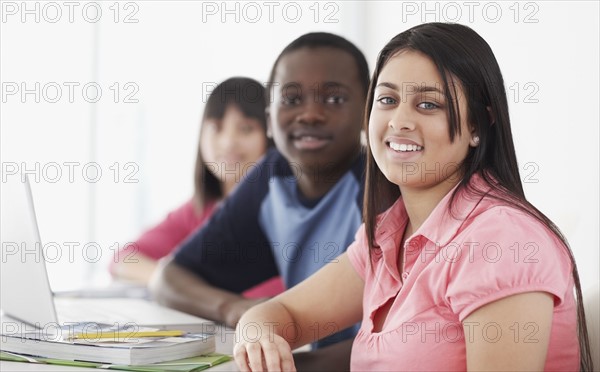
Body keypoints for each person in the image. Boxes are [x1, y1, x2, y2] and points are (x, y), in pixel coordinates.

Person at [233, 22, 593, 371]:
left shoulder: (499, 240)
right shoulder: (387, 235)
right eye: (387, 99)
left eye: (428, 105)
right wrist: (258, 337)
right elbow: (282, 316)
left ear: (477, 126)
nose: (399, 121)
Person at [150, 32, 370, 365]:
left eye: (334, 99)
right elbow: (169, 277)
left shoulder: (382, 183)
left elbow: (400, 339)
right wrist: (239, 310)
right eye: (292, 100)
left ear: (368, 112)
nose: (310, 114)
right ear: (269, 118)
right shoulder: (270, 177)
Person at [111, 77, 284, 298]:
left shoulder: (283, 212)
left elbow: (285, 289)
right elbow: (123, 259)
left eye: (246, 129)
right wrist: (178, 283)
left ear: (271, 135)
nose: (228, 141)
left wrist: (195, 291)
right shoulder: (199, 209)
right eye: (216, 128)